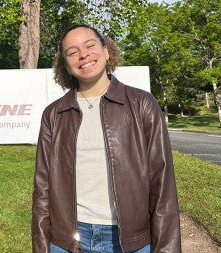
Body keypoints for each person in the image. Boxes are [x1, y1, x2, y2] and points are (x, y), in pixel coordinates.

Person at [31, 24, 181, 253]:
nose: (83, 54)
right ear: (66, 66)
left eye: (90, 46)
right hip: (67, 241)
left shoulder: (142, 104)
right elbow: (42, 190)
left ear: (106, 51)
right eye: (72, 52)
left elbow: (163, 186)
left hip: (130, 241)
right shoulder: (53, 114)